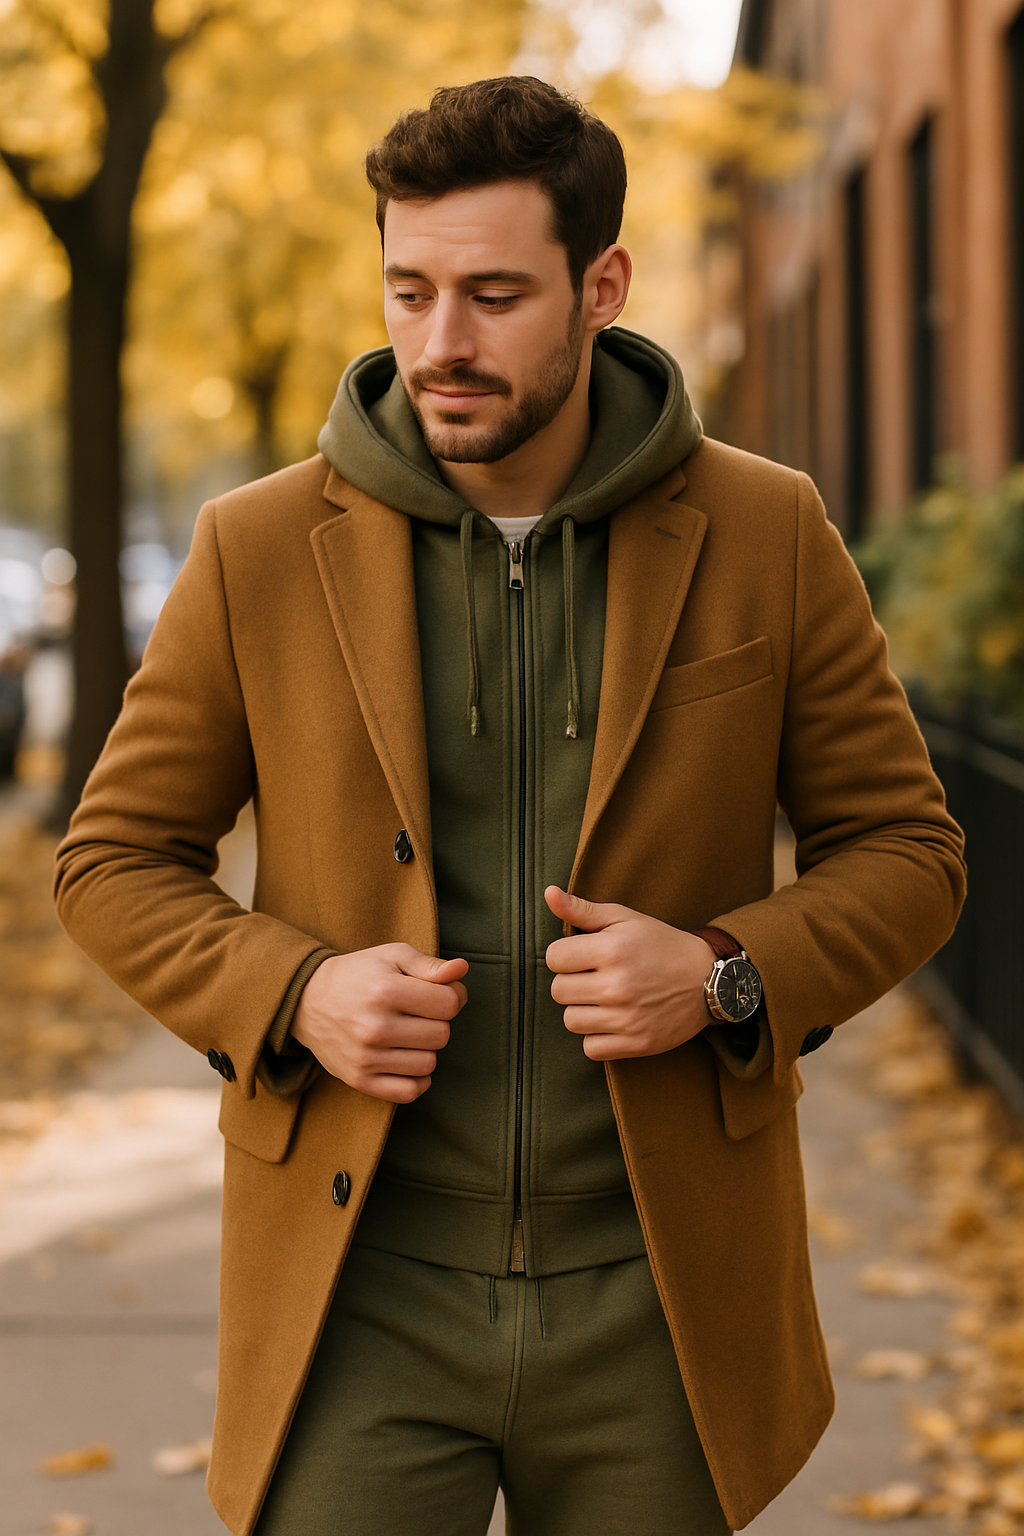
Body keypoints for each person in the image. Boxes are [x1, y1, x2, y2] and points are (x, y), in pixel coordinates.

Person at [55, 76, 966, 1536]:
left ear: (602, 284)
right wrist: (295, 991)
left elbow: (911, 852)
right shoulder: (259, 549)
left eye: (491, 296)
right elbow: (112, 860)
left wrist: (726, 974)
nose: (440, 346)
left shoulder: (767, 530)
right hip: (359, 1293)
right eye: (408, 293)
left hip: (659, 1297)